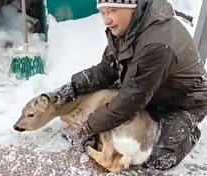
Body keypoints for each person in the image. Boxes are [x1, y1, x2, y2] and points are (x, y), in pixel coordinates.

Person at [44, 0, 207, 171]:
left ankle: (190, 132)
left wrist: (87, 128)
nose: (106, 20)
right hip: (149, 89)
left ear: (132, 7)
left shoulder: (156, 44)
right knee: (112, 103)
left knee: (158, 158)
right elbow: (105, 71)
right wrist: (71, 88)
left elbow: (129, 102)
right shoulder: (125, 29)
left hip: (183, 102)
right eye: (103, 12)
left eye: (112, 10)